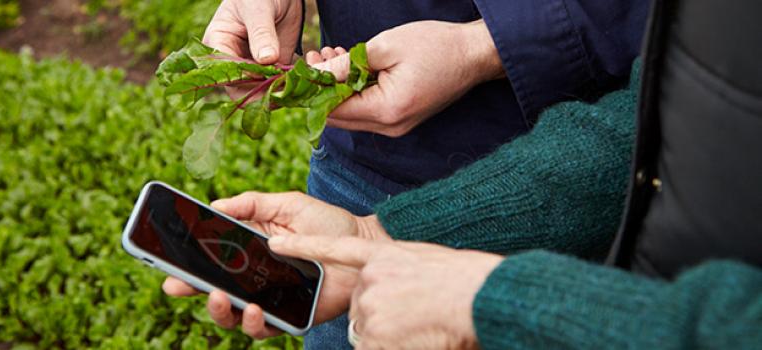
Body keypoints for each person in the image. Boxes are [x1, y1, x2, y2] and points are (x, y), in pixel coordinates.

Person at [166, 0, 762, 347]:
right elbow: (644, 126)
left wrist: (493, 44)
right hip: (373, 173)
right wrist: (377, 235)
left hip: (544, 158)